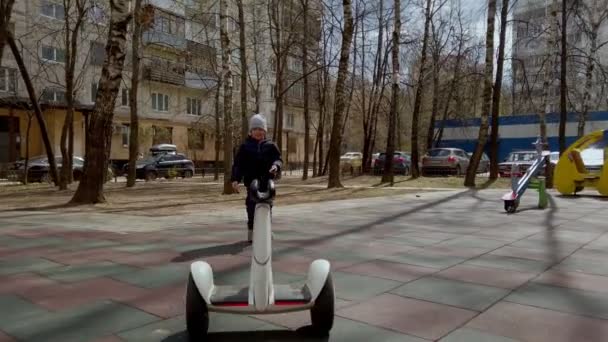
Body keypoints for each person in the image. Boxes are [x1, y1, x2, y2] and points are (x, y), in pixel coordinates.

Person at [231, 114, 283, 243]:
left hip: (267, 182)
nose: (258, 132)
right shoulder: (245, 147)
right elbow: (238, 165)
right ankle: (251, 230)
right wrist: (235, 179)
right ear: (251, 131)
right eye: (256, 129)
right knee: (251, 206)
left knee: (267, 207)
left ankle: (267, 229)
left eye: (261, 129)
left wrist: (276, 166)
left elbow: (278, 159)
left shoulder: (271, 146)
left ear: (265, 131)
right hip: (252, 183)